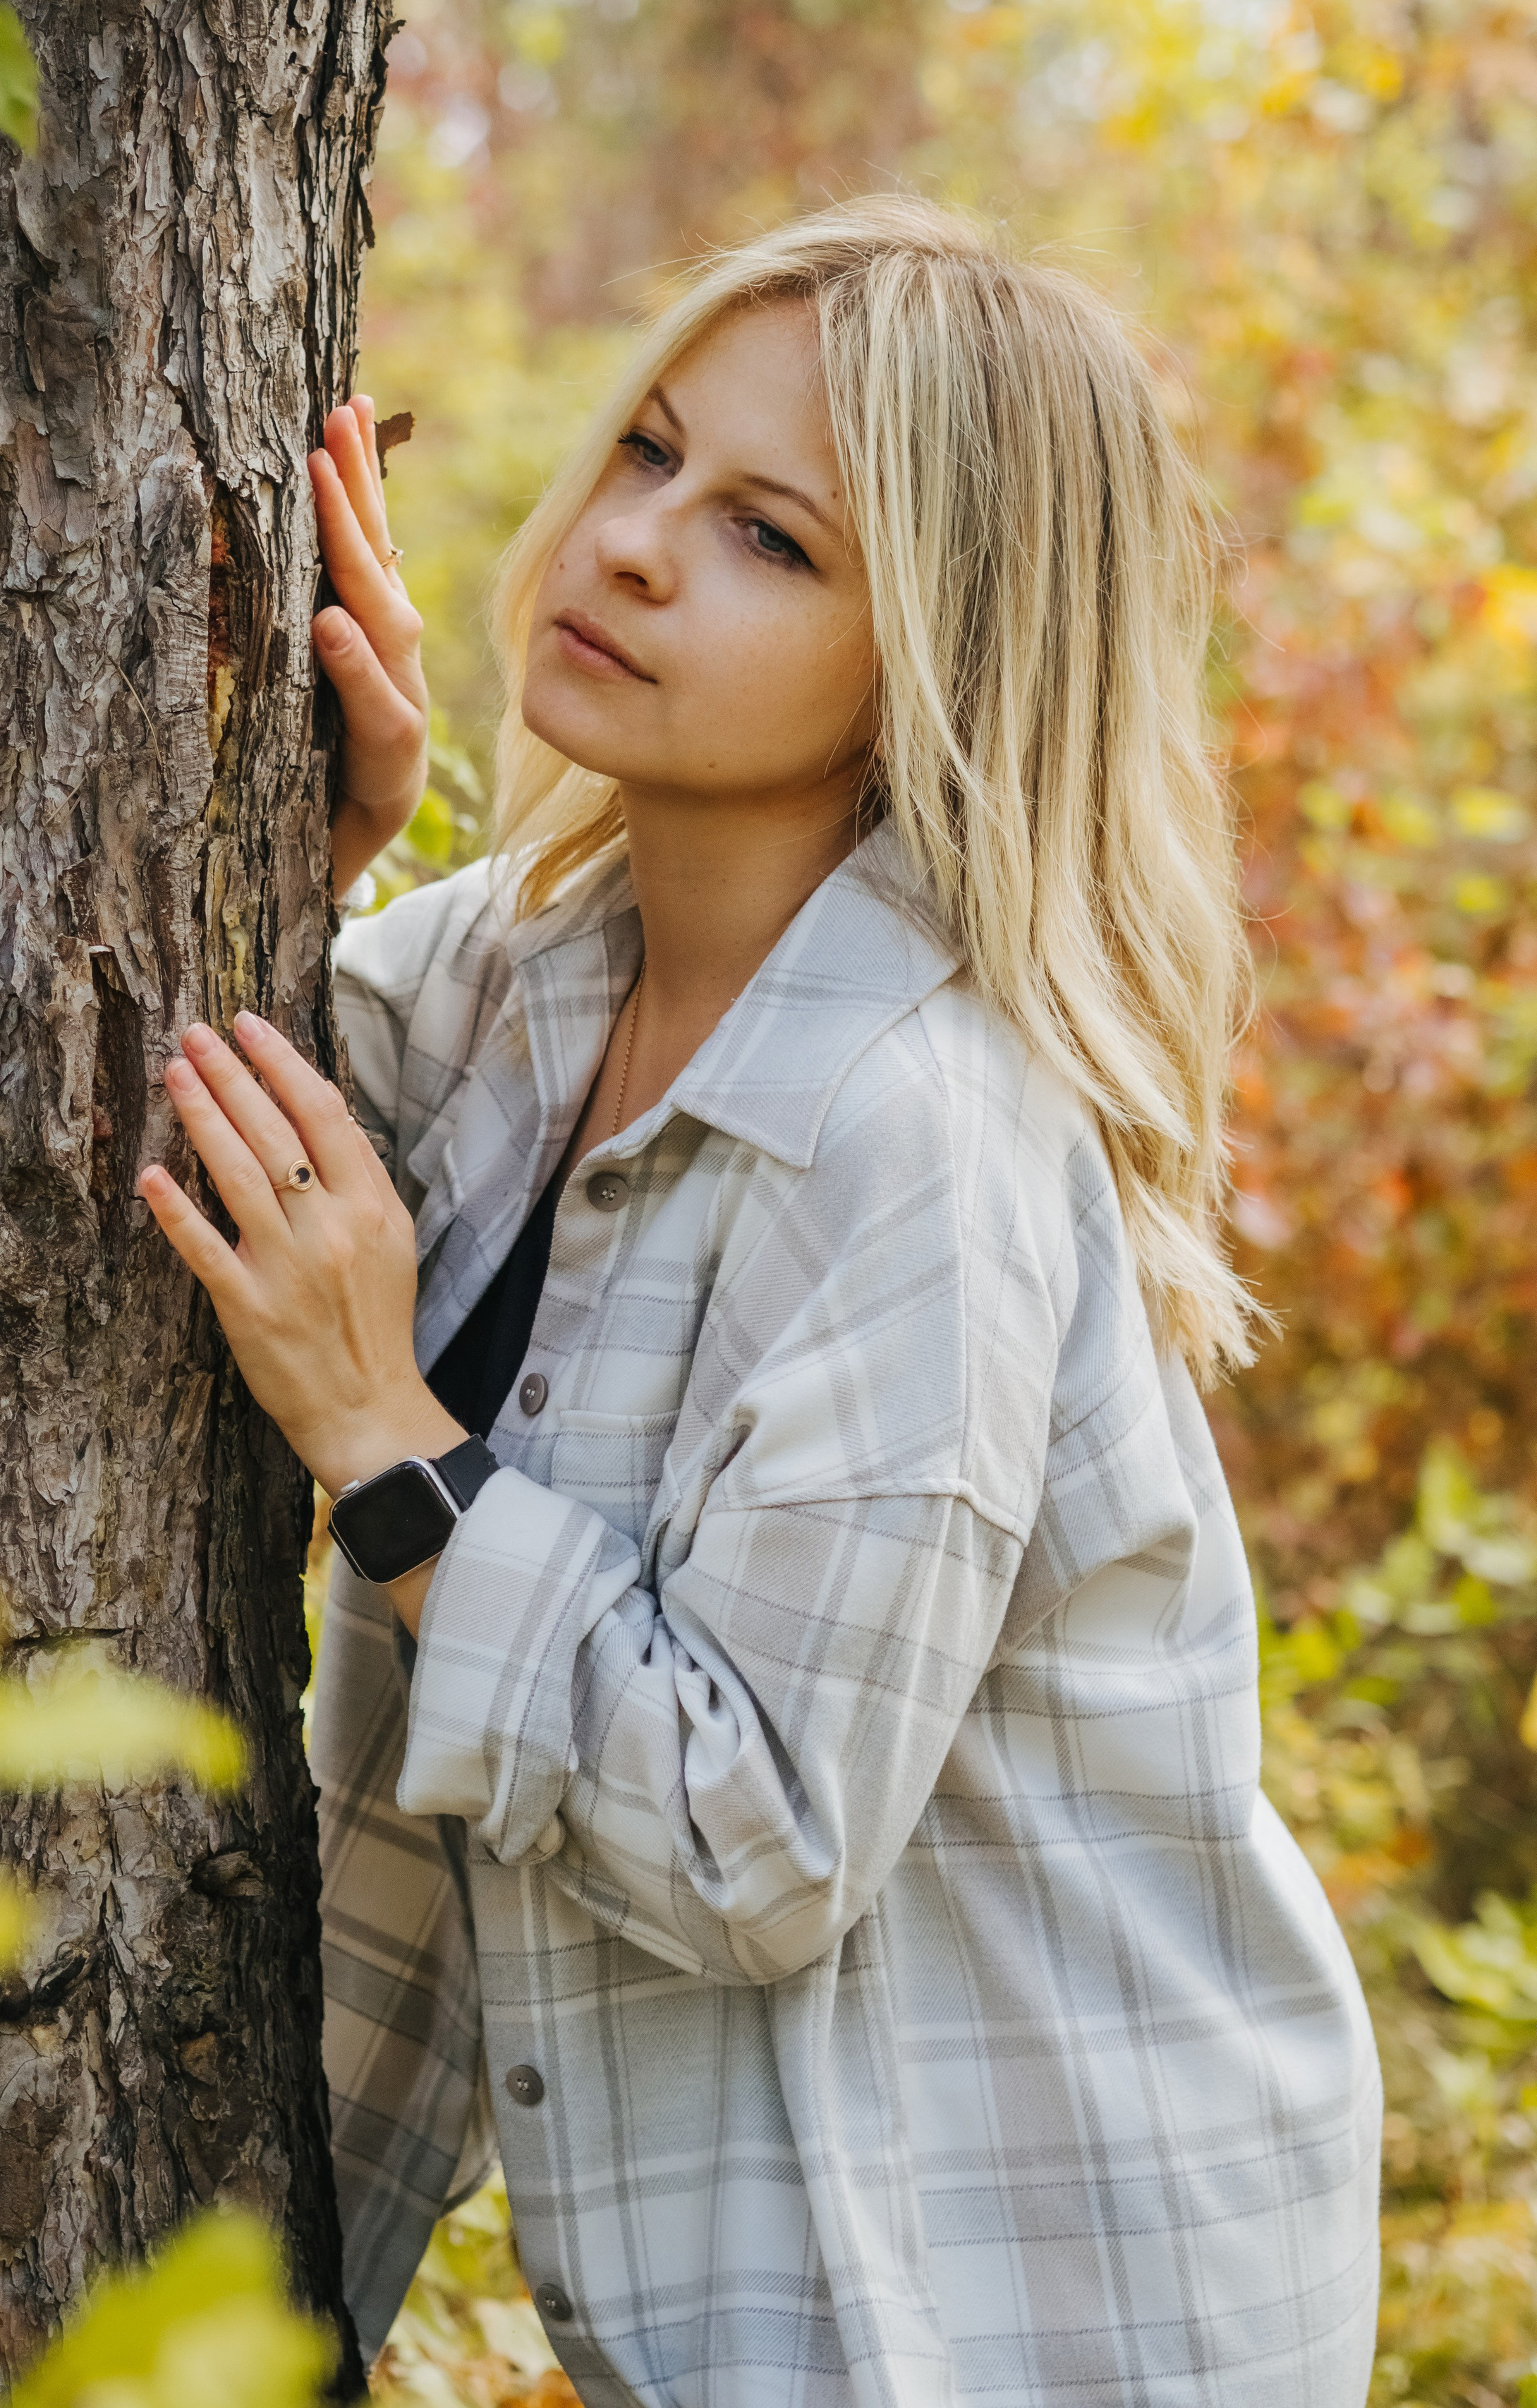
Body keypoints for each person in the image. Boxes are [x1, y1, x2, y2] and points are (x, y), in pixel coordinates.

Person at [138, 197, 1382, 2408]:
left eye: (772, 542)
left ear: (949, 655)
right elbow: (303, 1129)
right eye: (645, 456)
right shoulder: (534, 979)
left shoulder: (930, 1138)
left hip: (1044, 2313)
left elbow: (758, 1837)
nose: (632, 547)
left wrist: (390, 1457)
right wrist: (297, 845)